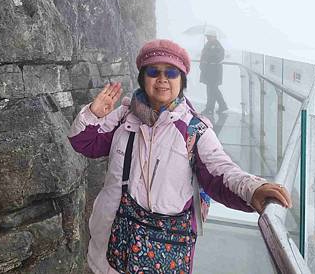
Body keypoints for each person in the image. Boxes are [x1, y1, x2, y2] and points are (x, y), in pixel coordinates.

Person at [68, 39, 292, 274]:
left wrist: (253, 188)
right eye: (154, 71)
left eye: (172, 72)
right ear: (143, 78)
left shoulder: (194, 129)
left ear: (181, 80)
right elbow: (85, 144)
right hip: (108, 253)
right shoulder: (124, 118)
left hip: (162, 254)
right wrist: (93, 114)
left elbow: (220, 170)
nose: (162, 79)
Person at [199, 29, 228, 115]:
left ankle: (215, 107)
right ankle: (214, 107)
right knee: (211, 90)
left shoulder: (217, 46)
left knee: (213, 89)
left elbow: (219, 57)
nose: (207, 38)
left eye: (209, 36)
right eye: (207, 36)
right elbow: (204, 56)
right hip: (209, 71)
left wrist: (208, 58)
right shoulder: (208, 44)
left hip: (214, 71)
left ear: (214, 37)